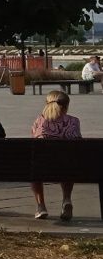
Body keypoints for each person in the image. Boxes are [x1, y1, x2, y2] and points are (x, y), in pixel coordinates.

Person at [30, 90, 82, 221]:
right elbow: (78, 146)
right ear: (66, 106)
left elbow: (35, 146)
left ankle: (41, 206)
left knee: (33, 167)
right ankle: (66, 199)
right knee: (70, 160)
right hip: (67, 168)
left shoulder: (39, 121)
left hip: (43, 168)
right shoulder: (74, 121)